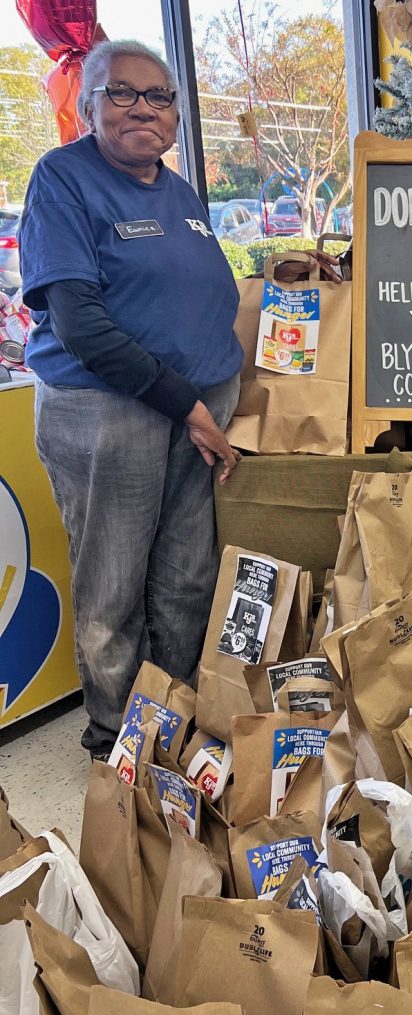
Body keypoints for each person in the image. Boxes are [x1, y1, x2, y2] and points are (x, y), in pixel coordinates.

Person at [19, 40, 244, 759]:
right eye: (121, 92)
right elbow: (82, 326)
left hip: (197, 408)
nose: (143, 108)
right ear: (89, 107)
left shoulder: (178, 190)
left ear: (176, 113)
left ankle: (174, 716)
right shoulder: (63, 179)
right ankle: (117, 734)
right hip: (110, 409)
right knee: (114, 583)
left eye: (159, 96)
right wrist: (189, 406)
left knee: (187, 575)